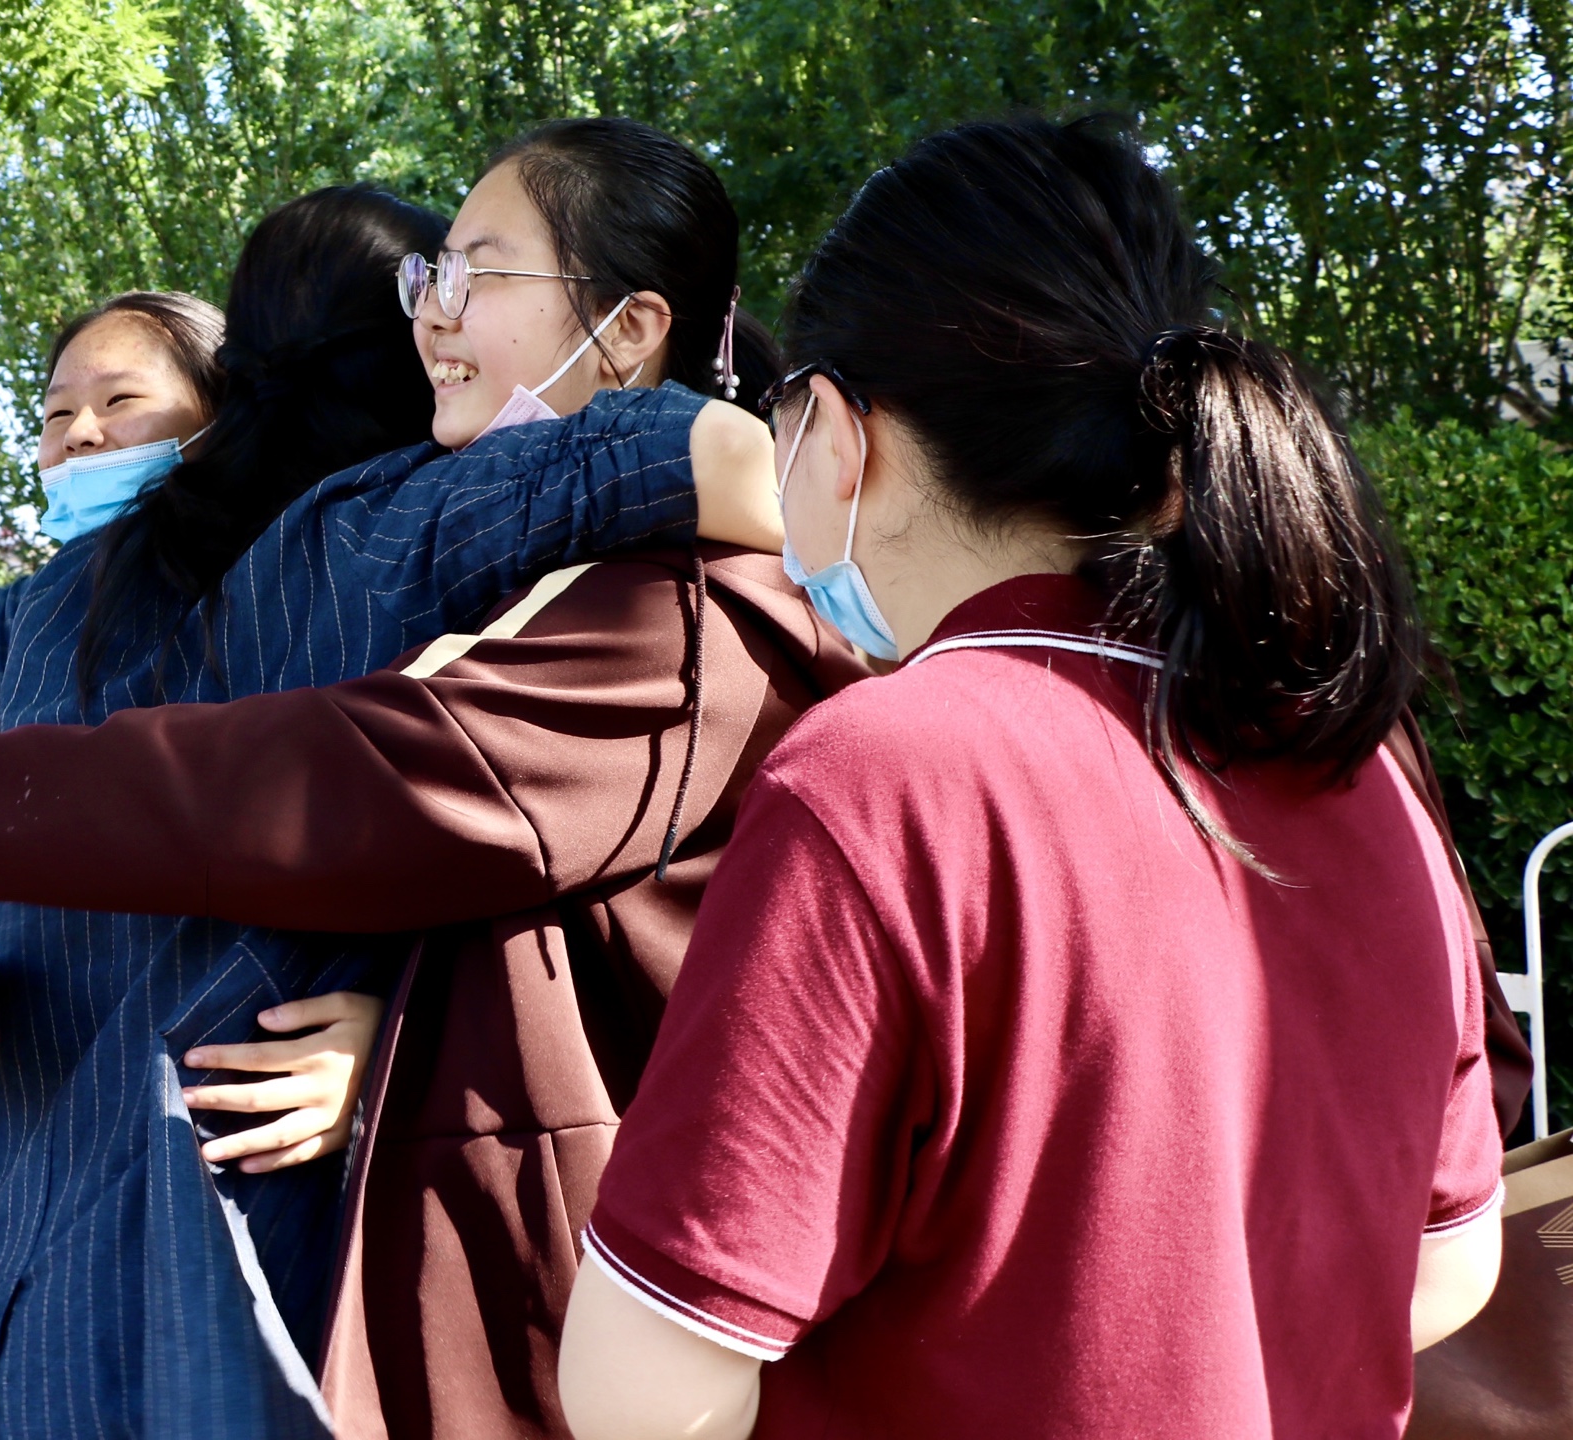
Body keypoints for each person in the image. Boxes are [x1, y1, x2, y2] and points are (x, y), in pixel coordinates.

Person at [0, 120, 811, 1438]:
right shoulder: (352, 550)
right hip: (215, 1299)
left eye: (124, 407)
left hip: (70, 1313)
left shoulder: (299, 567)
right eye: (426, 282)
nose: (83, 440)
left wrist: (395, 1047)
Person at [553, 116, 1505, 1440]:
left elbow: (642, 1390)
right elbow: (1448, 1264)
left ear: (838, 430)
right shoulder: (1359, 762)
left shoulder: (885, 779)